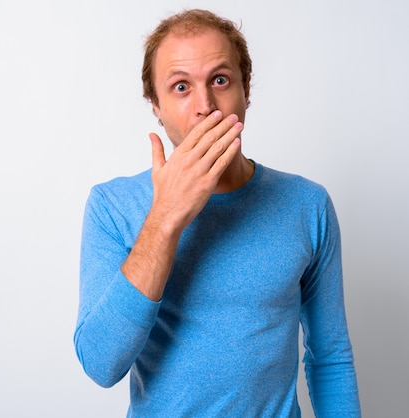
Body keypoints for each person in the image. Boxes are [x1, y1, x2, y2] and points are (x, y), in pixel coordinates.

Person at [73, 8, 361, 417]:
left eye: (220, 80)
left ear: (246, 90)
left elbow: (329, 357)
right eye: (180, 87)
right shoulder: (112, 206)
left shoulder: (307, 204)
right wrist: (166, 218)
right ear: (155, 104)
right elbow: (101, 365)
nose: (205, 105)